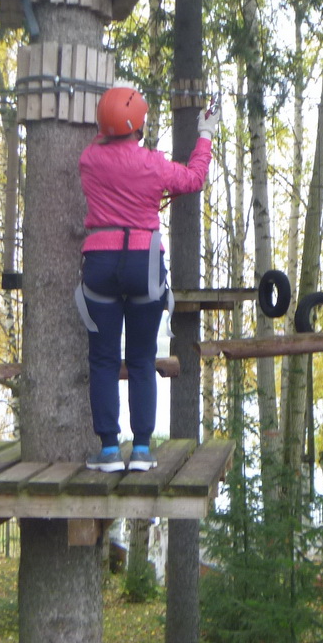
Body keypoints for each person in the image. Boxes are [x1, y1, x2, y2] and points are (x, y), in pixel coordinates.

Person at [77, 86, 219, 472]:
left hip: (100, 263)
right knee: (141, 358)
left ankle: (109, 450)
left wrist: (112, 127)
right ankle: (141, 449)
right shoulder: (152, 164)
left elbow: (104, 142)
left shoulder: (89, 160)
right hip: (145, 264)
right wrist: (205, 132)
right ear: (138, 125)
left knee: (103, 359)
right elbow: (194, 178)